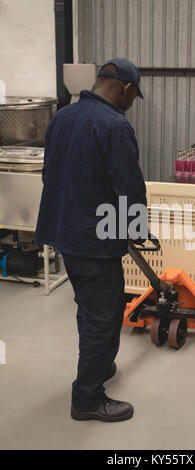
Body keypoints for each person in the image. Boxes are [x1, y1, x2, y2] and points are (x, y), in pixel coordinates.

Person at [35, 58, 147, 422]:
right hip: (95, 240)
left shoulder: (62, 117)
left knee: (88, 307)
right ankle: (87, 397)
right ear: (126, 89)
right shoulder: (114, 125)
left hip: (65, 234)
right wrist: (137, 230)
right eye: (134, 96)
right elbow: (128, 187)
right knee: (105, 316)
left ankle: (98, 367)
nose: (131, 103)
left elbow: (49, 174)